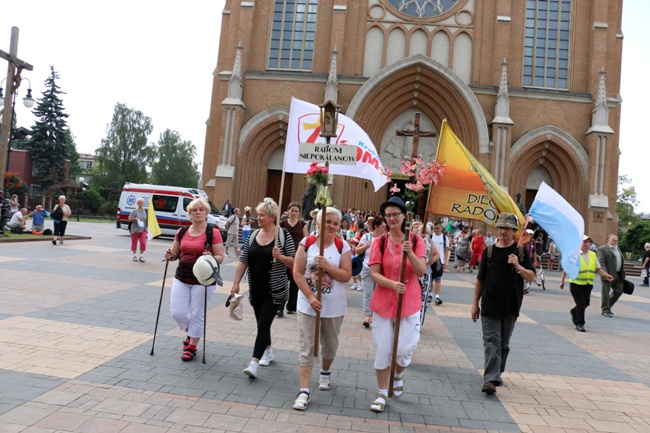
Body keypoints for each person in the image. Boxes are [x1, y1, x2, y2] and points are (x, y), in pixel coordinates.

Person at [368, 196, 426, 413]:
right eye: (388, 215)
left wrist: (409, 251)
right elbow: (373, 273)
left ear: (404, 216)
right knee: (383, 348)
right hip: (384, 300)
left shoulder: (417, 241)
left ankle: (398, 373)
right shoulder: (379, 242)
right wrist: (392, 284)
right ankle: (382, 393)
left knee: (403, 350)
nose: (391, 218)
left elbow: (420, 271)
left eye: (395, 214)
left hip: (409, 301)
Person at [290, 207, 352, 411]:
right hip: (308, 306)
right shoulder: (306, 244)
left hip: (333, 307)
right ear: (318, 223)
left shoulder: (343, 247)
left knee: (330, 346)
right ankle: (304, 391)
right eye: (328, 222)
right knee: (307, 348)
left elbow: (346, 276)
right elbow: (297, 273)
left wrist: (328, 266)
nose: (332, 226)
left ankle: (325, 372)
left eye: (336, 223)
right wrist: (309, 296)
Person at [470, 213, 535, 394]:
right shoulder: (489, 251)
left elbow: (532, 276)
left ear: (515, 231)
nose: (503, 231)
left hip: (511, 305)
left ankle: (496, 373)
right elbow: (480, 279)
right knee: (491, 341)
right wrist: (475, 304)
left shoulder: (521, 252)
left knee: (503, 344)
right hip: (490, 304)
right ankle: (490, 379)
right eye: (501, 227)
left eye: (507, 228)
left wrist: (518, 266)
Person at [231, 198, 295, 378]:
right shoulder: (253, 236)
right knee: (262, 325)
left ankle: (253, 363)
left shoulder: (283, 236)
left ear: (272, 217)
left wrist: (281, 257)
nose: (258, 218)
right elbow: (243, 260)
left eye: (261, 215)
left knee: (263, 323)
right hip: (255, 289)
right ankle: (268, 351)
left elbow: (295, 260)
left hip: (275, 290)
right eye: (258, 215)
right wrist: (236, 283)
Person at [163, 197, 225, 361]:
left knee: (198, 313)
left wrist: (212, 256)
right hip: (182, 276)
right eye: (194, 210)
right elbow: (175, 254)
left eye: (201, 210)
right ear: (189, 214)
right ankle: (192, 332)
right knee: (177, 312)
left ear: (206, 213)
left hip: (204, 279)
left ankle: (192, 346)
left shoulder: (213, 232)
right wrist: (169, 255)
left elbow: (220, 257)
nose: (198, 212)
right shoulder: (182, 231)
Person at [560, 235, 613, 332]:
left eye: (588, 242)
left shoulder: (592, 254)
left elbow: (598, 268)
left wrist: (606, 275)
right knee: (581, 303)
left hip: (588, 284)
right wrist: (562, 281)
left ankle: (574, 311)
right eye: (585, 242)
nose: (587, 244)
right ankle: (580, 323)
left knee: (586, 303)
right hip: (576, 283)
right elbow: (566, 269)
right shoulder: (574, 255)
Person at [279, 201, 308, 316]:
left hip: (297, 256)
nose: (294, 213)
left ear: (299, 213)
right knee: (282, 281)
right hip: (284, 255)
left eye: (296, 211)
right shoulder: (282, 224)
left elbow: (306, 239)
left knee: (295, 281)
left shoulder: (301, 224)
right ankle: (279, 307)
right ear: (288, 211)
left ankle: (291, 306)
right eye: (292, 210)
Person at [357, 216, 387, 328]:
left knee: (378, 294)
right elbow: (357, 250)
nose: (384, 228)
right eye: (383, 226)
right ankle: (367, 316)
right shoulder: (367, 236)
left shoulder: (385, 238)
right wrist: (366, 245)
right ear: (376, 226)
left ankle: (376, 315)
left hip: (381, 271)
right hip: (367, 268)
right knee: (368, 293)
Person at [597, 234, 626, 317]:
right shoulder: (602, 249)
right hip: (608, 274)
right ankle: (605, 310)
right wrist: (605, 274)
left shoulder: (617, 249)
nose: (616, 242)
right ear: (609, 240)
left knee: (619, 290)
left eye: (617, 240)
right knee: (605, 293)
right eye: (614, 240)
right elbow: (601, 262)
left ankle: (608, 306)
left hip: (618, 275)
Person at [430, 221, 450, 305]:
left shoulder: (445, 238)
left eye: (437, 228)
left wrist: (446, 261)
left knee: (438, 279)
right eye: (434, 228)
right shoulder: (430, 236)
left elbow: (446, 250)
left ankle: (437, 297)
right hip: (431, 260)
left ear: (441, 228)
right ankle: (430, 294)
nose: (436, 230)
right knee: (430, 278)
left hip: (440, 261)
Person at [128, 198, 148, 262]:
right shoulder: (135, 211)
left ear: (143, 204)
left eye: (142, 203)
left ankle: (141, 256)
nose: (140, 204)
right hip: (135, 229)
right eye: (139, 203)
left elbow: (147, 219)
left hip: (143, 229)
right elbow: (129, 219)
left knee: (143, 242)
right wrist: (134, 219)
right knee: (134, 242)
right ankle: (135, 255)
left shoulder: (145, 211)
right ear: (137, 204)